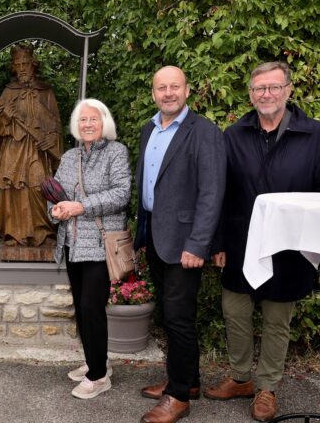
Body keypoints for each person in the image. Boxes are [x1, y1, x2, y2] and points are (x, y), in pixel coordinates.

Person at [207, 61, 320, 422]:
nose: (266, 94)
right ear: (251, 95)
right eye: (259, 89)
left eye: (273, 87)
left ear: (288, 90)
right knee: (235, 313)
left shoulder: (315, 135)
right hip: (240, 240)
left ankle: (266, 386)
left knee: (276, 318)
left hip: (290, 245)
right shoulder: (233, 134)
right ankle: (240, 377)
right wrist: (218, 241)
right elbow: (218, 192)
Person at [134, 66, 226, 423]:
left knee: (178, 318)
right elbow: (151, 186)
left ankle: (178, 398)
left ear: (187, 91)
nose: (167, 93)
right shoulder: (149, 129)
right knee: (172, 316)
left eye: (174, 86)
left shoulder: (204, 133)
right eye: (161, 87)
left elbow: (212, 193)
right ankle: (186, 381)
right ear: (154, 93)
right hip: (157, 237)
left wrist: (198, 244)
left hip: (185, 243)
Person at [50, 98, 131, 400]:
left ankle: (98, 377)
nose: (87, 124)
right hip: (71, 243)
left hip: (99, 243)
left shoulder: (116, 152)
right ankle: (95, 360)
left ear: (103, 122)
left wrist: (81, 206)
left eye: (93, 119)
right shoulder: (70, 156)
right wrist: (55, 210)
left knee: (91, 308)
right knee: (82, 310)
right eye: (82, 120)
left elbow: (121, 194)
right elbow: (55, 193)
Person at [0, 44, 63, 249]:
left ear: (33, 65)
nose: (22, 68)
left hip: (38, 150)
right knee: (14, 190)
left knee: (40, 188)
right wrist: (5, 118)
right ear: (13, 67)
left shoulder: (45, 92)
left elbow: (56, 124)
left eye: (25, 64)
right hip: (13, 151)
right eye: (18, 65)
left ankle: (44, 233)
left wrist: (52, 139)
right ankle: (14, 234)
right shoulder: (8, 92)